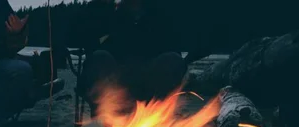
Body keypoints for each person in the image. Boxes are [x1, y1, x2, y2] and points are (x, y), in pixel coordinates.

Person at [76, 0, 206, 117]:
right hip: (116, 80)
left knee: (172, 59)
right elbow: (90, 47)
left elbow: (174, 53)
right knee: (100, 57)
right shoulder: (110, 16)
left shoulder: (159, 17)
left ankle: (155, 120)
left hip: (150, 79)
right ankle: (104, 124)